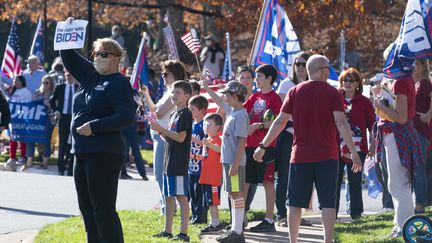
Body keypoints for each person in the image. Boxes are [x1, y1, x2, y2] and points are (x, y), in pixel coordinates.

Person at [253, 54, 362, 243]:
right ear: (321, 70)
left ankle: (293, 241)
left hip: (300, 156)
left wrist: (262, 145)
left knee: (294, 203)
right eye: (328, 68)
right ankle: (328, 241)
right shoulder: (333, 93)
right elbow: (341, 122)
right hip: (327, 155)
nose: (329, 71)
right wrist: (353, 152)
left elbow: (280, 122)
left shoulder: (294, 91)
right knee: (328, 202)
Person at [60, 18, 135, 243]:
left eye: (103, 55)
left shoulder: (119, 82)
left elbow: (126, 116)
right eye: (96, 54)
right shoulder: (89, 76)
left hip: (104, 152)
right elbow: (68, 55)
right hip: (81, 152)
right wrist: (68, 28)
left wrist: (95, 126)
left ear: (115, 59)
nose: (98, 58)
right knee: (87, 209)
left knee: (103, 209)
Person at [203, 80, 249, 243]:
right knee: (232, 194)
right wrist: (207, 87)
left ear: (235, 96)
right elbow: (219, 101)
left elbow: (242, 141)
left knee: (236, 194)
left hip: (234, 162)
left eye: (228, 94)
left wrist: (235, 165)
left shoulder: (241, 115)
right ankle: (235, 229)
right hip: (228, 161)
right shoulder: (232, 110)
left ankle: (237, 232)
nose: (225, 96)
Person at [140, 60, 187, 214]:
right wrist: (146, 94)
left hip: (164, 136)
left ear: (175, 74)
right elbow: (154, 109)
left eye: (166, 73)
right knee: (159, 173)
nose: (163, 76)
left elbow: (158, 113)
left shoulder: (174, 92)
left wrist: (151, 114)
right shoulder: (169, 91)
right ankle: (166, 204)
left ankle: (168, 206)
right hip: (158, 135)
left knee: (160, 173)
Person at [151, 81, 193, 242]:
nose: (174, 95)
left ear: (187, 96)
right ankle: (167, 231)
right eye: (173, 92)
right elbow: (171, 136)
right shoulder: (175, 114)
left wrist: (162, 130)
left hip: (179, 163)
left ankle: (183, 233)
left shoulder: (185, 114)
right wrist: (160, 131)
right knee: (168, 196)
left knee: (181, 197)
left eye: (178, 92)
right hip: (169, 161)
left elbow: (181, 137)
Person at [242, 64, 282, 233]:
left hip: (267, 146)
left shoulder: (275, 98)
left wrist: (258, 126)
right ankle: (240, 217)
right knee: (245, 182)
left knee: (267, 181)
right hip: (249, 146)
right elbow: (242, 112)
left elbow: (278, 122)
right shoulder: (255, 97)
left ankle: (269, 219)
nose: (255, 79)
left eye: (259, 77)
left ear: (269, 79)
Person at [274, 51, 312, 227]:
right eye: (298, 64)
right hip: (288, 134)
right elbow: (284, 113)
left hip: (308, 135)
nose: (301, 68)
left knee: (302, 176)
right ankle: (281, 214)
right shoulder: (286, 84)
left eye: (304, 64)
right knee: (284, 175)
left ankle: (296, 214)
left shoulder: (315, 85)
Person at [335, 68, 376, 220]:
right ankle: (332, 213)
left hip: (358, 148)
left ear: (358, 83)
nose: (348, 83)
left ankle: (356, 213)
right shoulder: (335, 98)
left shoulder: (364, 101)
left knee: (354, 180)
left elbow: (372, 126)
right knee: (335, 180)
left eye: (352, 80)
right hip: (335, 145)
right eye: (345, 80)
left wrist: (373, 145)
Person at [21, 75, 57, 171]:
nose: (44, 84)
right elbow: (32, 106)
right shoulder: (37, 93)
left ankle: (44, 162)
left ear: (51, 84)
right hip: (36, 120)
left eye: (47, 83)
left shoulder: (54, 94)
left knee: (46, 140)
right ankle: (29, 162)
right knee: (31, 139)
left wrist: (49, 105)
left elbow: (56, 109)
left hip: (49, 121)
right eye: (43, 82)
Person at [411, 59, 431, 214]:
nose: (413, 66)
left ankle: (420, 205)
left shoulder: (424, 83)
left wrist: (427, 115)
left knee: (419, 170)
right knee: (415, 170)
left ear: (424, 66)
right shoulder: (416, 83)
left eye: (417, 64)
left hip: (420, 132)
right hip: (413, 129)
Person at [50, 70, 78, 176]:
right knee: (62, 143)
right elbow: (52, 100)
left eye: (71, 76)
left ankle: (71, 168)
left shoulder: (77, 88)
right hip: (63, 117)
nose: (69, 77)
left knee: (72, 143)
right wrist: (56, 110)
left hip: (74, 118)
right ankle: (61, 167)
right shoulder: (60, 87)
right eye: (67, 75)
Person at [200, 113, 223, 233]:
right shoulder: (208, 139)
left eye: (209, 124)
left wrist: (208, 144)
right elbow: (205, 157)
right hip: (206, 177)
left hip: (214, 178)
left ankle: (216, 224)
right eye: (204, 124)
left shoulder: (218, 139)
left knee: (213, 202)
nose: (205, 126)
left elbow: (221, 149)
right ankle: (212, 222)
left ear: (217, 127)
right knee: (210, 202)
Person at [187, 95, 208, 224]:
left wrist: (196, 140)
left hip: (201, 166)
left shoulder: (204, 126)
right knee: (192, 192)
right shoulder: (191, 124)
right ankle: (194, 215)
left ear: (202, 111)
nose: (190, 111)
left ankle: (200, 217)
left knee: (199, 193)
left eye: (193, 109)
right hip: (191, 165)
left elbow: (207, 143)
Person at [5, 75, 32, 171]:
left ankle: (22, 156)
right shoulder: (13, 91)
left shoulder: (26, 92)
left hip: (22, 118)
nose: (14, 81)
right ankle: (12, 157)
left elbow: (28, 105)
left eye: (16, 80)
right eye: (14, 80)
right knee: (12, 137)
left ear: (21, 82)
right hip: (12, 118)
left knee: (22, 138)